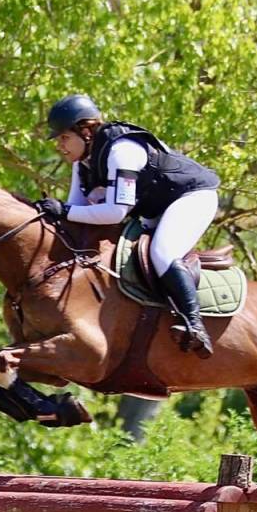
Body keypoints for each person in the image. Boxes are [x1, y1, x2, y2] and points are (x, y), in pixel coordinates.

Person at [35, 94, 221, 358]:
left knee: (162, 253)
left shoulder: (121, 152)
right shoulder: (83, 164)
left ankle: (195, 325)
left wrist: (64, 211)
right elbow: (76, 210)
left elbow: (115, 212)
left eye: (64, 137)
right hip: (156, 209)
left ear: (86, 132)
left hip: (192, 198)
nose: (59, 146)